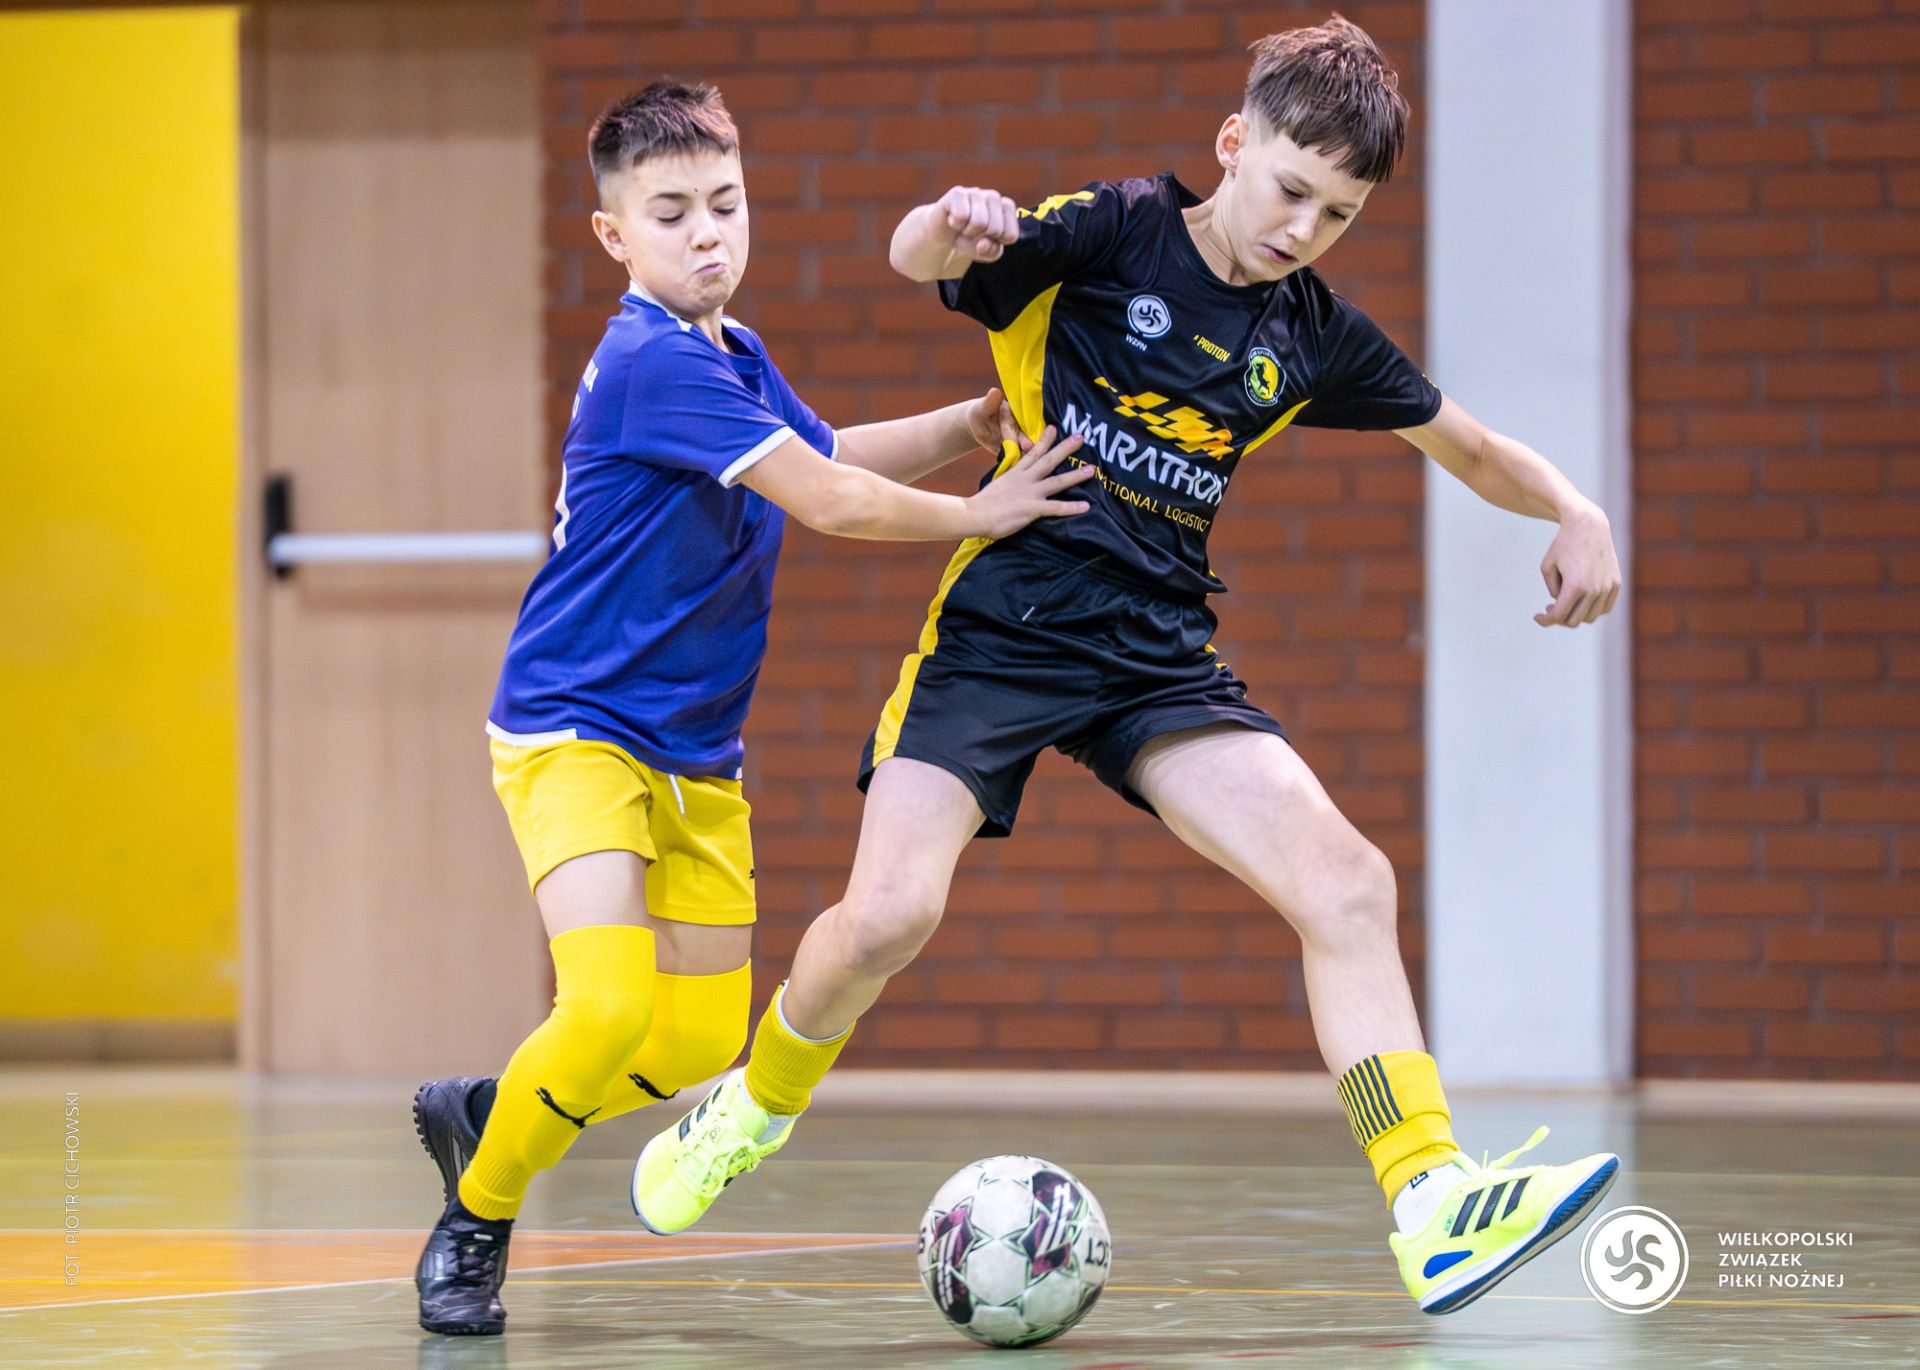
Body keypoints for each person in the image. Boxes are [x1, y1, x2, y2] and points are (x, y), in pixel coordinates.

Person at [631, 16, 1624, 1317]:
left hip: (1155, 656)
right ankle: (749, 1112)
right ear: (1234, 142)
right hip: (1003, 628)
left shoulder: (1310, 333)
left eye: (1337, 213)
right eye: (1289, 191)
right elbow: (918, 257)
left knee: (1349, 882)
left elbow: (1471, 445)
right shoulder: (1117, 232)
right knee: (886, 919)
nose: (1303, 229)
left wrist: (1575, 507)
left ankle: (1432, 1201)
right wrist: (949, 220)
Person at [409, 78, 1092, 1337]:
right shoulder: (649, 362)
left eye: (724, 203)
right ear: (615, 235)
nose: (706, 233)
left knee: (688, 1047)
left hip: (695, 754)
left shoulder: (733, 351)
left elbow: (826, 452)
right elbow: (828, 502)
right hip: (573, 728)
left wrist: (969, 423)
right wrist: (980, 511)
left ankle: (492, 1113)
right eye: (670, 213)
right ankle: (478, 1217)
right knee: (605, 1007)